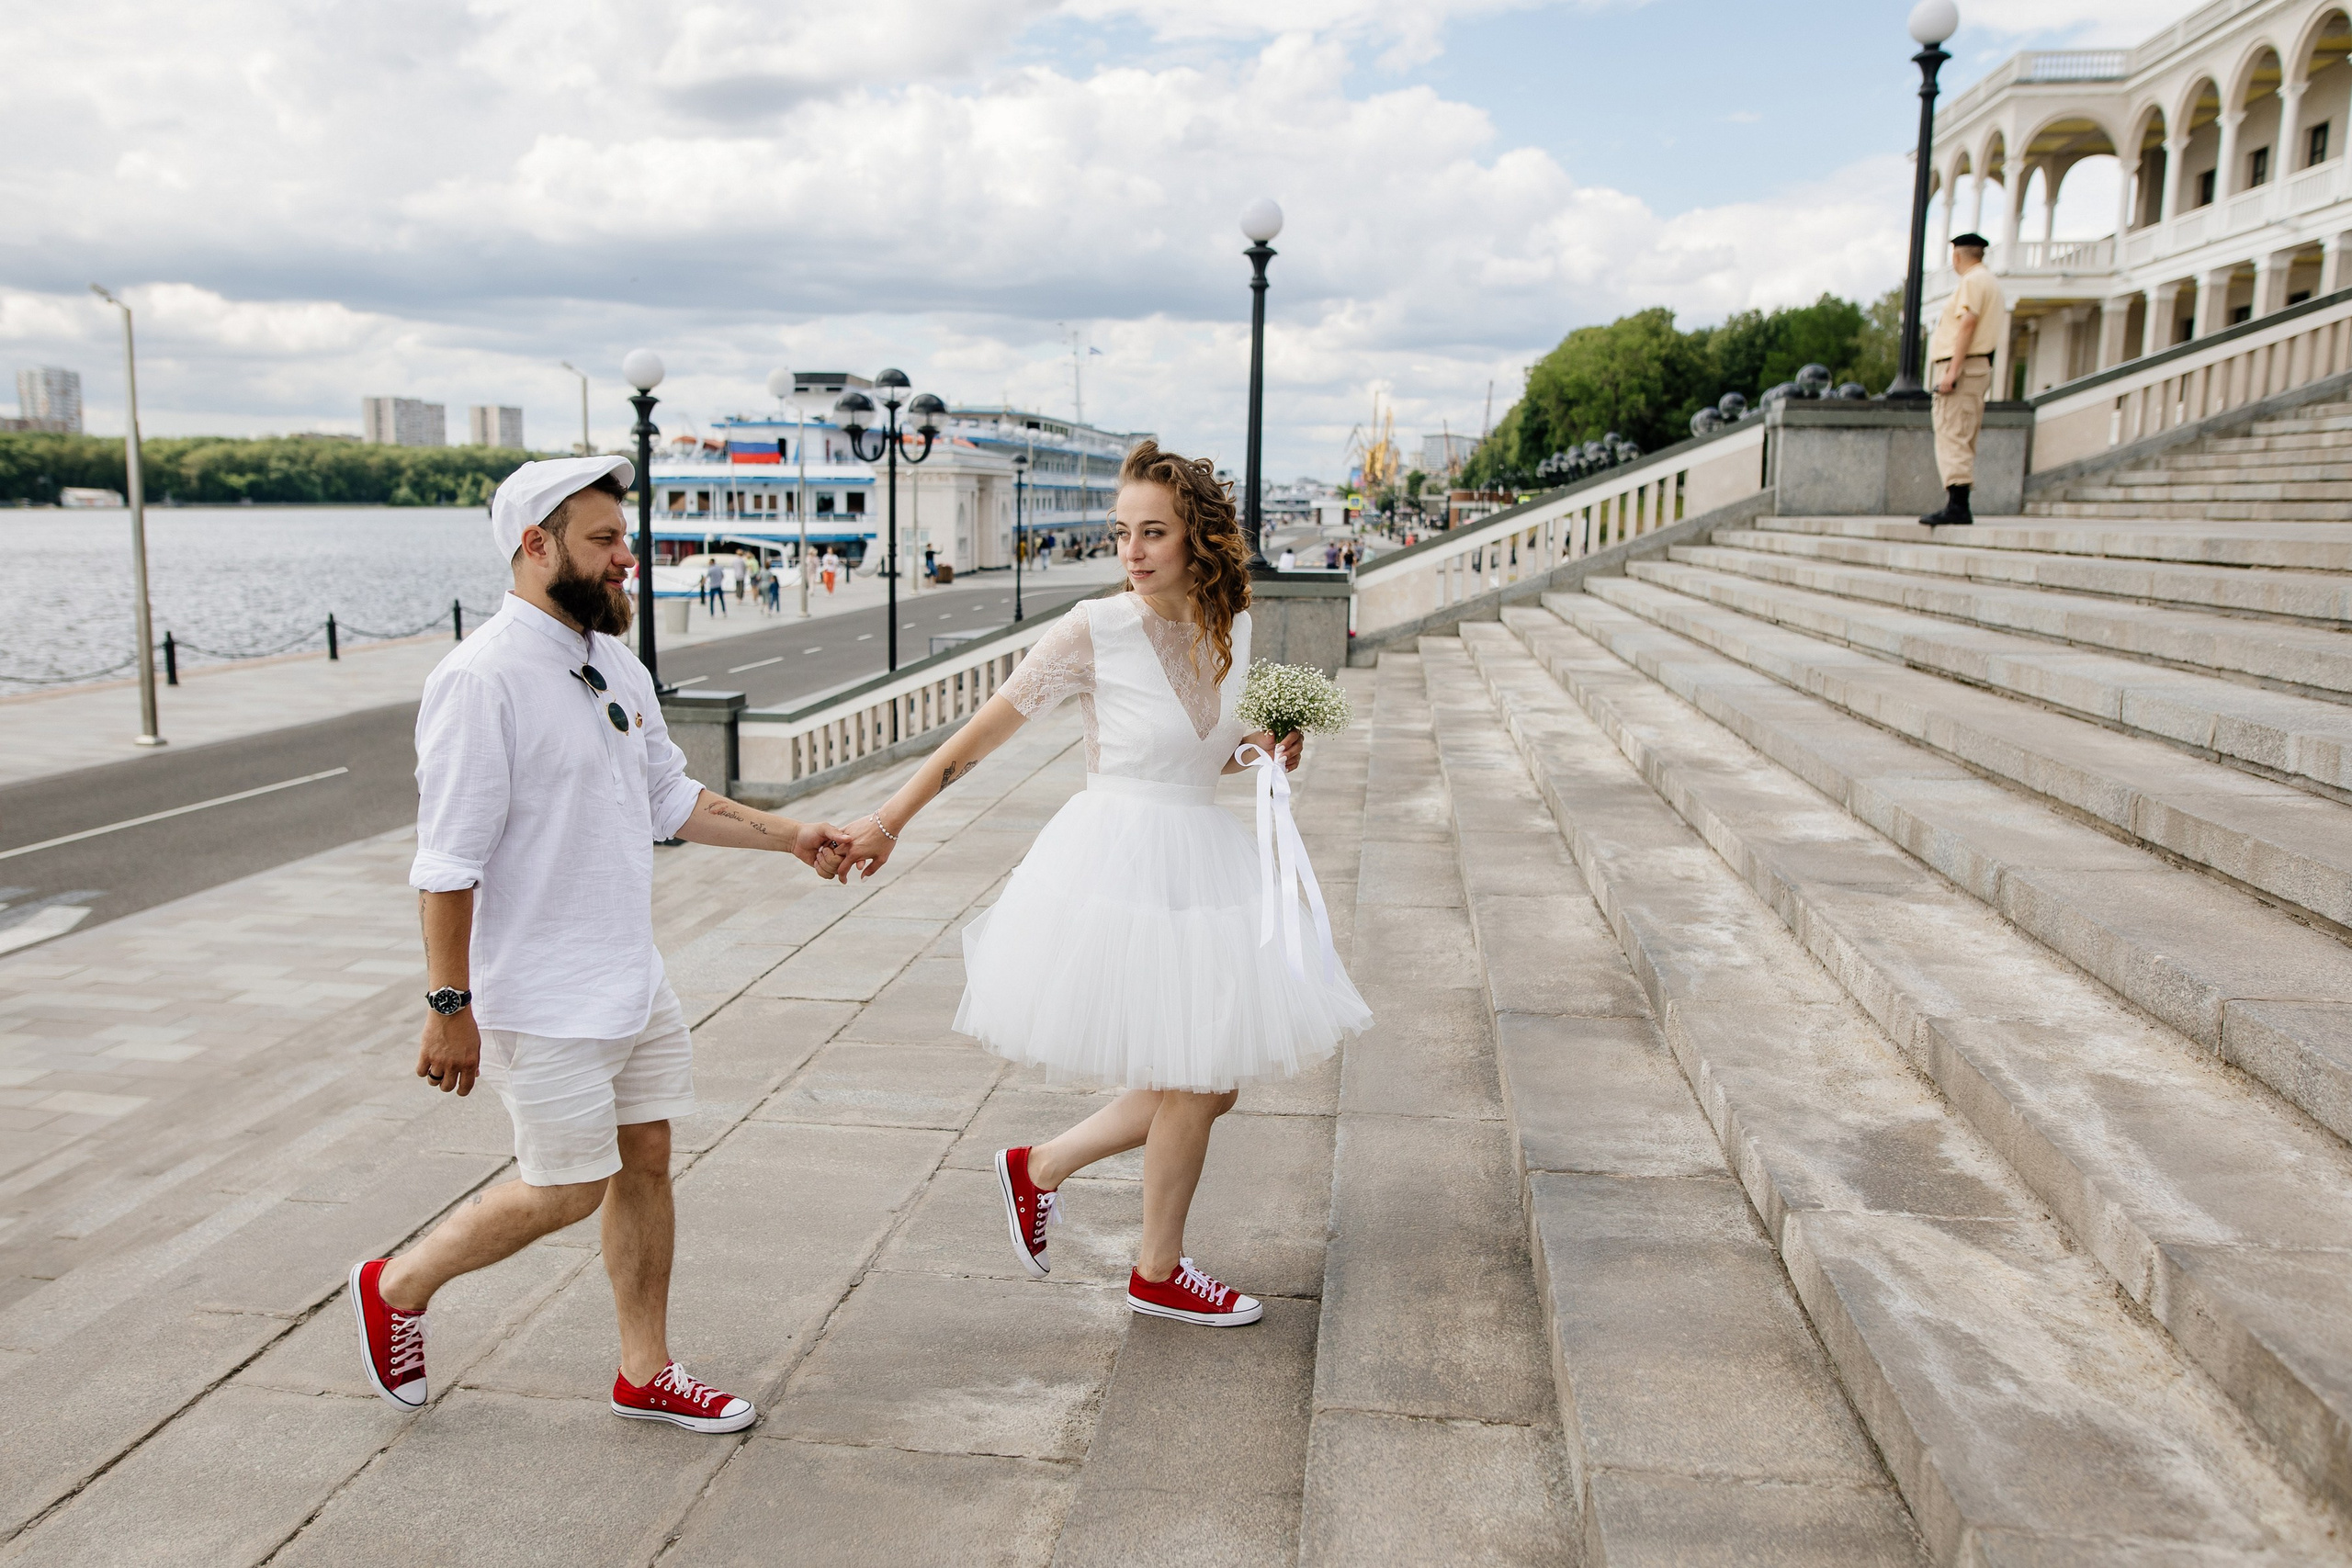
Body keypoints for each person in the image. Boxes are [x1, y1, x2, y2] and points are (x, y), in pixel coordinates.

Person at [350, 457, 852, 1431]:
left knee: (648, 1156)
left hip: (629, 971)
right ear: (533, 546)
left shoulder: (612, 660)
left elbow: (667, 795)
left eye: (624, 538)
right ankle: (398, 1283)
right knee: (568, 1187)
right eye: (604, 541)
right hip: (537, 987)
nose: (629, 558)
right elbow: (446, 862)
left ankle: (644, 1370)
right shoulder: (478, 681)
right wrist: (449, 1008)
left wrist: (791, 835)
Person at [828, 441, 1371, 1326]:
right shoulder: (1093, 627)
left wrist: (1263, 752)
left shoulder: (1221, 626)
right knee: (1199, 1077)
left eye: (1153, 531)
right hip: (1122, 861)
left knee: (1211, 1078)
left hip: (1201, 857)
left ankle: (1037, 1167)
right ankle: (1156, 1268)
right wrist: (888, 821)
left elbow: (1201, 755)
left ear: (1200, 538)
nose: (1133, 550)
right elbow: (975, 738)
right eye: (1123, 532)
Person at [1920, 232, 2009, 527]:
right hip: (1978, 367)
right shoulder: (1991, 282)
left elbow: (1968, 324)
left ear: (1957, 257)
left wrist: (1951, 372)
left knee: (1952, 432)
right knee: (1963, 433)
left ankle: (1957, 506)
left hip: (1962, 368)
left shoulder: (1972, 282)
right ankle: (1958, 504)